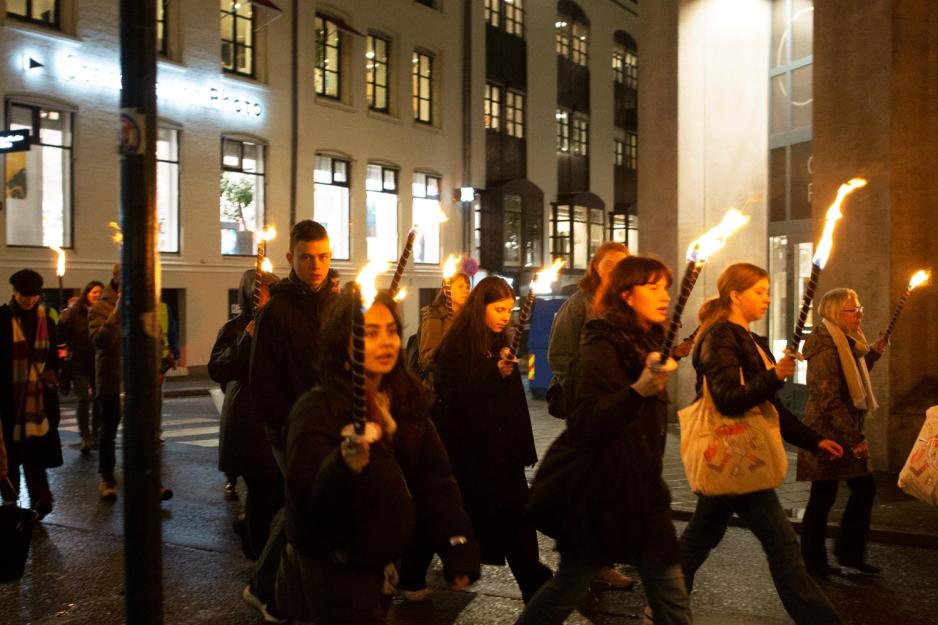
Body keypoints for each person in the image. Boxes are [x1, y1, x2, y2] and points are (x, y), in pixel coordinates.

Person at [274, 289, 481, 624]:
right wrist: (342, 467)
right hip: (333, 573)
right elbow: (307, 504)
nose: (386, 342)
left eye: (391, 331)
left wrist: (457, 544)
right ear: (343, 343)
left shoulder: (406, 398)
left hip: (381, 566)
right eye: (370, 333)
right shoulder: (317, 410)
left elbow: (435, 479)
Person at [517, 256, 690, 625]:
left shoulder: (643, 345)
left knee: (672, 598)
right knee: (566, 589)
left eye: (666, 287)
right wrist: (638, 391)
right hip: (601, 497)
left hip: (644, 494)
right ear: (627, 295)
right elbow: (585, 423)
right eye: (653, 287)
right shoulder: (599, 349)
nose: (665, 295)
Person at [678, 263, 845, 625]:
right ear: (735, 295)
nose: (768, 298)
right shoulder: (720, 336)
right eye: (759, 291)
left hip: (735, 457)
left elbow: (770, 407)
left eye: (768, 291)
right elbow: (727, 399)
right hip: (735, 453)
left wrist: (814, 440)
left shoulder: (750, 339)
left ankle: (662, 607)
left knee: (698, 539)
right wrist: (774, 376)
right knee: (783, 546)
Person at [431, 276, 552, 603]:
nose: (504, 316)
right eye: (498, 309)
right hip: (474, 455)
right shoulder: (457, 344)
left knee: (518, 518)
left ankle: (532, 580)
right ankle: (416, 571)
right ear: (480, 308)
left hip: (503, 453)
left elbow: (513, 403)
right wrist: (492, 373)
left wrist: (523, 447)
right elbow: (454, 394)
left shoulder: (500, 340)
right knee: (472, 517)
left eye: (508, 310)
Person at [244, 220, 335, 622]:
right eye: (306, 257)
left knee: (311, 502)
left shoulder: (336, 302)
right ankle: (265, 586)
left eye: (323, 257)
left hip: (327, 423)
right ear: (290, 258)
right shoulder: (276, 311)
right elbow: (262, 380)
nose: (316, 265)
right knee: (302, 501)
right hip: (291, 428)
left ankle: (307, 582)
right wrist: (286, 427)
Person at [544, 241, 634, 590]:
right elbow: (559, 353)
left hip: (620, 404)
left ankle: (594, 553)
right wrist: (582, 391)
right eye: (608, 263)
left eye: (621, 264)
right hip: (591, 407)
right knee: (594, 484)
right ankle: (589, 561)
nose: (614, 270)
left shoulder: (626, 303)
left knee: (612, 483)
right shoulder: (580, 303)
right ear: (595, 266)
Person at [797, 288, 887, 576]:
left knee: (859, 489)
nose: (859, 314)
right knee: (825, 496)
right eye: (853, 310)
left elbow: (853, 376)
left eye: (859, 308)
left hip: (843, 428)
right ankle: (816, 560)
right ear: (836, 312)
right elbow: (829, 398)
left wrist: (873, 353)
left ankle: (848, 553)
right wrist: (855, 439)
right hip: (827, 431)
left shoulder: (849, 341)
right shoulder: (825, 345)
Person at [209, 269, 280, 558]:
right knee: (261, 489)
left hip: (274, 417)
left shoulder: (279, 324)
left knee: (278, 491)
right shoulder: (235, 328)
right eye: (264, 292)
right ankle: (256, 552)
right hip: (248, 420)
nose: (269, 298)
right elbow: (219, 369)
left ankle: (249, 525)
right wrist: (246, 340)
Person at [88, 263, 172, 502]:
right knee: (109, 429)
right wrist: (117, 311)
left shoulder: (145, 305)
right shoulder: (100, 308)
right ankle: (107, 478)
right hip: (112, 380)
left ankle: (150, 480)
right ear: (117, 281)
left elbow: (157, 337)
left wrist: (157, 364)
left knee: (144, 432)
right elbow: (100, 341)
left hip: (139, 381)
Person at [0, 269, 63, 520]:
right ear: (14, 292)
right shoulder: (2, 318)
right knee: (10, 452)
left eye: (34, 296)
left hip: (38, 399)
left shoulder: (46, 320)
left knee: (35, 451)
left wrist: (54, 373)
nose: (29, 301)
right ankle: (11, 500)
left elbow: (53, 357)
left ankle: (41, 499)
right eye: (25, 296)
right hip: (8, 397)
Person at [58, 280, 104, 455]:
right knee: (83, 399)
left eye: (100, 292)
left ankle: (95, 433)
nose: (97, 295)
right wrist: (62, 321)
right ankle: (85, 436)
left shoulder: (104, 312)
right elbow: (62, 335)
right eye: (94, 292)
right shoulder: (74, 313)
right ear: (87, 293)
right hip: (79, 362)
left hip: (99, 361)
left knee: (99, 399)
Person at [415, 271, 470, 379]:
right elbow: (426, 360)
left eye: (467, 287)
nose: (466, 290)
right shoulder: (434, 315)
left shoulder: (468, 318)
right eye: (460, 286)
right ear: (446, 291)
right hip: (439, 381)